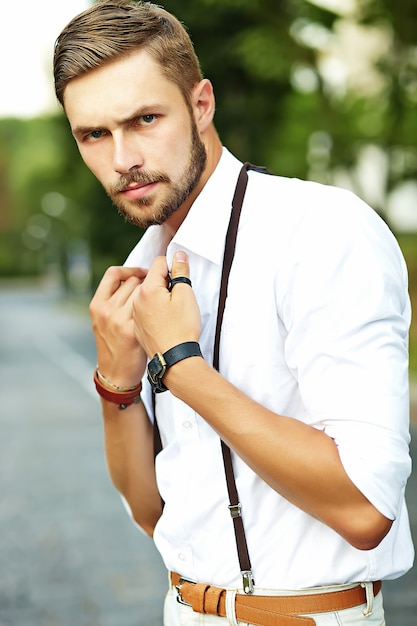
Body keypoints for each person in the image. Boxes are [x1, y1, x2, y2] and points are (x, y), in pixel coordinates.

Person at [54, 1, 414, 624]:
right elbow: (153, 513)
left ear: (201, 105)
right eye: (94, 134)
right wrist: (117, 384)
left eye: (144, 119)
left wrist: (183, 367)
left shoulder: (321, 232)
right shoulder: (146, 275)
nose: (122, 159)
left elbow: (365, 509)